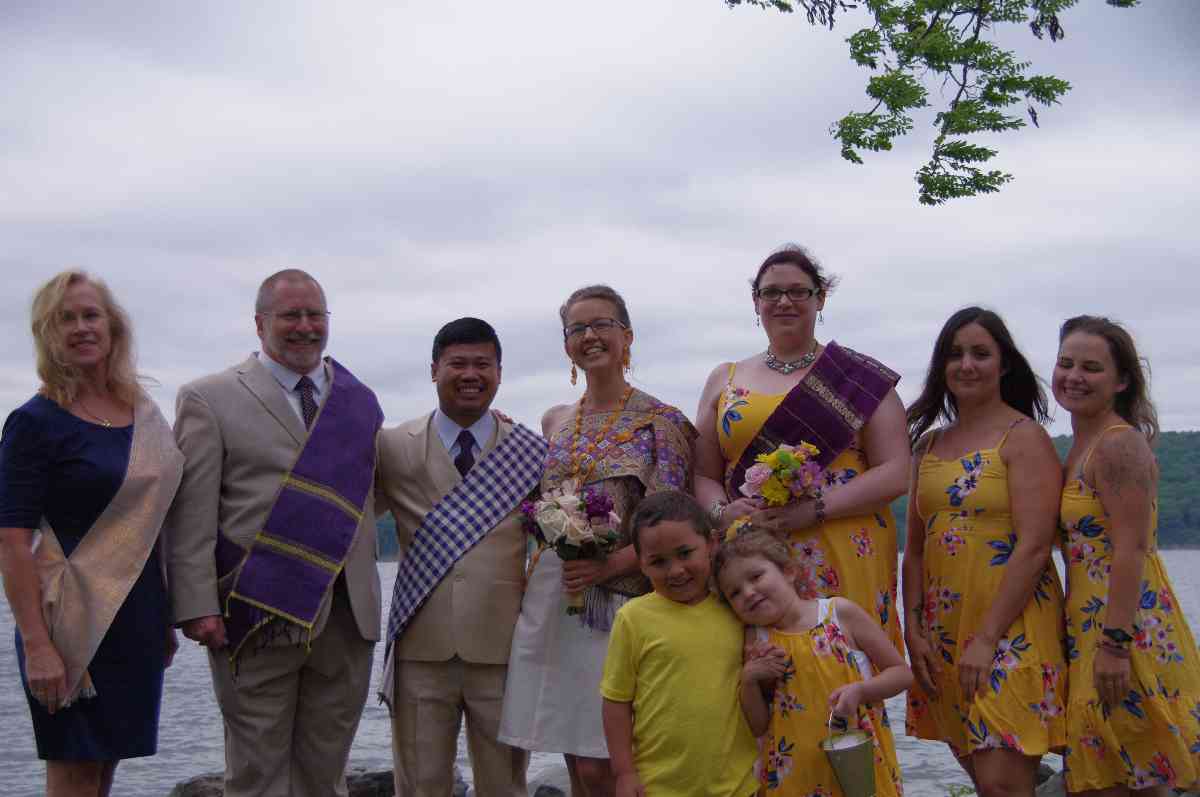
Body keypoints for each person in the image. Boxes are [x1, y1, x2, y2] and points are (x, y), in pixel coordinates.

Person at [164, 269, 384, 797]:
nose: (305, 326)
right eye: (291, 315)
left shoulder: (358, 400)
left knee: (326, 774)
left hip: (347, 615)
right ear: (260, 323)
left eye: (315, 315)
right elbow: (191, 515)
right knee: (256, 774)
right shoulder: (208, 398)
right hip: (256, 611)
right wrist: (196, 605)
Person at [499, 285, 696, 797]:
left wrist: (610, 567)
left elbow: (674, 520)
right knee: (572, 753)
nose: (590, 336)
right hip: (555, 593)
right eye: (577, 328)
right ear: (566, 344)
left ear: (627, 336)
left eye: (602, 324)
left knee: (607, 760)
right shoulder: (555, 420)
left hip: (622, 600)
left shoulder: (662, 422)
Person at [0, 271, 183, 797]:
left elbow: (155, 523)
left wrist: (164, 616)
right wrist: (37, 644)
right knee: (75, 767)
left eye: (90, 315)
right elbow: (12, 542)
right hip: (66, 620)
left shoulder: (142, 414)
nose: (81, 327)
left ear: (113, 326)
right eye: (66, 319)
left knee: (105, 768)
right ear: (47, 334)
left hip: (137, 616)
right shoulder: (34, 422)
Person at [694, 245, 909, 651]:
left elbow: (896, 471)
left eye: (798, 291)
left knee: (849, 662)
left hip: (842, 541)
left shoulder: (858, 379)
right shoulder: (725, 378)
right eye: (771, 292)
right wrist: (722, 511)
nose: (784, 301)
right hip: (751, 554)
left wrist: (814, 510)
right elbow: (703, 472)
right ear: (756, 302)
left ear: (820, 298)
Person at [376, 317, 545, 797]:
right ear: (434, 370)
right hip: (420, 649)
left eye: (483, 364)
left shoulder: (531, 452)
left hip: (504, 647)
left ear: (499, 373)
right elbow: (352, 516)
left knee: (505, 786)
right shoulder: (391, 446)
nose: (471, 374)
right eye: (458, 363)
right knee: (420, 786)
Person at [903, 307, 1067, 797]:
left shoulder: (1024, 438)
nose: (967, 365)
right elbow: (914, 551)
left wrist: (988, 637)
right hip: (945, 632)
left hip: (1011, 627)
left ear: (1004, 364)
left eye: (980, 353)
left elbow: (1035, 546)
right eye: (955, 354)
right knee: (987, 782)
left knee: (1001, 785)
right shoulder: (927, 446)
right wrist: (913, 630)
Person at [1053, 315, 1200, 795]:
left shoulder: (1117, 445)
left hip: (1125, 630)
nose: (1074, 376)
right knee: (1113, 774)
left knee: (1133, 775)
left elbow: (1131, 549)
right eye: (1066, 363)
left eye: (1091, 367)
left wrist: (1115, 645)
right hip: (1092, 627)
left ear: (1120, 381)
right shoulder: (1081, 447)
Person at [714, 525, 910, 797]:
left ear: (788, 571)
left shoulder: (839, 614)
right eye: (734, 593)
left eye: (756, 576)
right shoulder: (755, 641)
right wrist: (749, 680)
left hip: (856, 763)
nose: (747, 592)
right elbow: (758, 725)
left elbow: (901, 673)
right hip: (794, 774)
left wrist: (861, 690)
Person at [600, 491, 759, 797]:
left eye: (685, 553)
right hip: (659, 786)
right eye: (658, 561)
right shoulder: (632, 619)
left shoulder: (735, 608)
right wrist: (624, 773)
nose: (675, 571)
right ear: (641, 564)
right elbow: (616, 702)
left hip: (737, 785)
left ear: (711, 543)